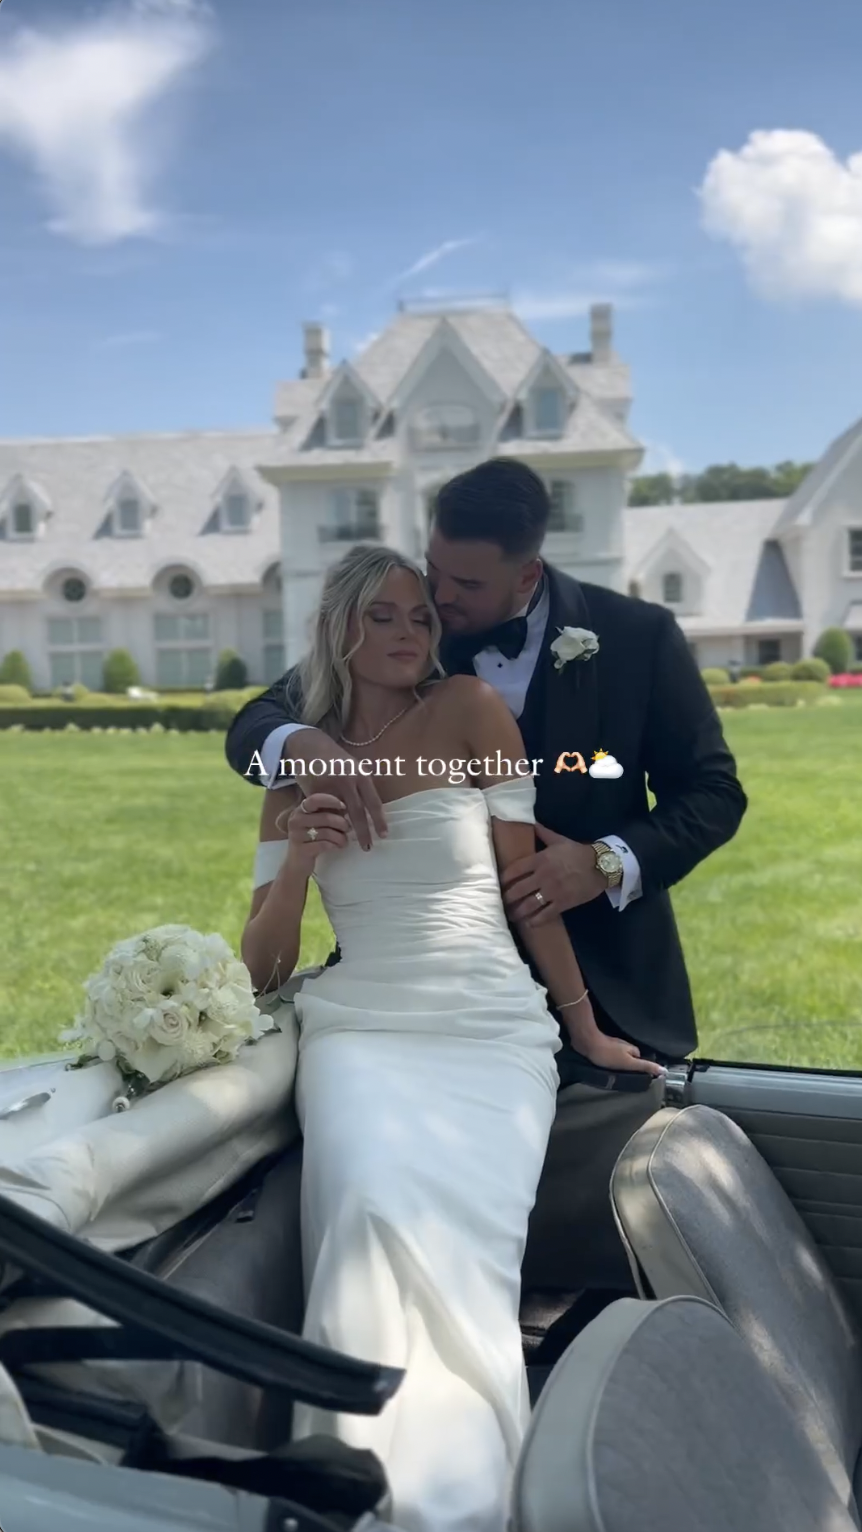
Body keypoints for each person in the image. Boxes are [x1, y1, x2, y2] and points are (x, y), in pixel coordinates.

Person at [227, 457, 748, 1294]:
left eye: (461, 585)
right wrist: (305, 748)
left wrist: (605, 859)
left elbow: (715, 793)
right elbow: (259, 721)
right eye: (433, 573)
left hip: (590, 982)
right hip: (390, 991)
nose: (439, 603)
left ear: (528, 573)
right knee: (374, 1195)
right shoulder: (411, 628)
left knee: (524, 1224)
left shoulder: (639, 638)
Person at [241, 543, 663, 1532]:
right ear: (337, 624)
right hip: (361, 1028)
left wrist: (584, 1028)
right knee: (368, 1206)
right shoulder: (288, 766)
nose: (404, 634)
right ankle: (356, 1491)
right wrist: (298, 860)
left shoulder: (472, 709)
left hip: (488, 1028)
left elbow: (528, 898)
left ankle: (461, 1500)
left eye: (419, 617)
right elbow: (262, 964)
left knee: (468, 1247)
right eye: (380, 615)